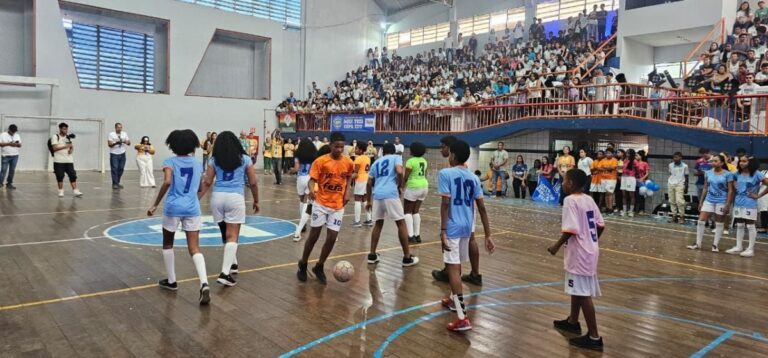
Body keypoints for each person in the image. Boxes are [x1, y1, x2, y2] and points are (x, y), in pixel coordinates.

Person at [147, 129, 210, 305]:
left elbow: (167, 181)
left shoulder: (170, 162)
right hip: (192, 208)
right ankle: (204, 282)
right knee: (194, 248)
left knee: (168, 243)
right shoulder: (198, 163)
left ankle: (172, 281)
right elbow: (201, 187)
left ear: (172, 146)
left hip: (173, 207)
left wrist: (155, 204)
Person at [438, 140, 494, 331]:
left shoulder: (445, 173)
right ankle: (453, 299)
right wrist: (488, 235)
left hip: (452, 227)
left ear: (452, 155)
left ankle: (462, 317)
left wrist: (443, 230)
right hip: (467, 227)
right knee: (456, 264)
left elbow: (445, 204)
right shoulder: (474, 177)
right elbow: (482, 208)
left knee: (453, 268)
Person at [548, 168, 605, 351]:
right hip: (590, 250)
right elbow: (600, 225)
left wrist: (556, 246)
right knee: (577, 288)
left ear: (571, 183)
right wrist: (591, 240)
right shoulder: (588, 199)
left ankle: (594, 336)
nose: (562, 183)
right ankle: (573, 321)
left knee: (583, 294)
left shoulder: (570, 200)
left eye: (564, 180)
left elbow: (570, 229)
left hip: (579, 253)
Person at [198, 131, 260, 287]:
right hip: (235, 197)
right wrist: (256, 200)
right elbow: (253, 182)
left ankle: (233, 263)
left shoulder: (214, 159)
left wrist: (196, 198)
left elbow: (207, 182)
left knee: (225, 232)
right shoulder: (245, 159)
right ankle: (225, 274)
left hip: (217, 198)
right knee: (232, 235)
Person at [297, 132, 354, 283]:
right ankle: (303, 262)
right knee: (314, 236)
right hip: (321, 203)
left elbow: (349, 176)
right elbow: (312, 180)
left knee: (332, 238)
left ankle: (319, 266)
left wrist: (347, 191)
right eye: (336, 146)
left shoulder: (348, 162)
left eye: (342, 147)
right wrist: (311, 190)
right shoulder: (321, 161)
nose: (339, 149)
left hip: (338, 205)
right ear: (330, 145)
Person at [432, 135, 484, 286]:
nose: (441, 150)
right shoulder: (463, 168)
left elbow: (446, 202)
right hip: (469, 209)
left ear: (451, 150)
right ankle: (474, 273)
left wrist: (443, 228)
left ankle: (451, 272)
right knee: (470, 239)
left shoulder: (450, 170)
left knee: (453, 241)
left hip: (460, 211)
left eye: (443, 147)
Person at [366, 143, 419, 266]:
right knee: (401, 223)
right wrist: (400, 185)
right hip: (390, 193)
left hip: (377, 195)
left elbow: (369, 183)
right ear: (394, 151)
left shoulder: (376, 162)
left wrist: (368, 201)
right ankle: (407, 257)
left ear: (383, 152)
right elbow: (399, 171)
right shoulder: (396, 157)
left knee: (378, 224)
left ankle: (372, 255)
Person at [687, 154, 735, 252]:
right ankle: (698, 244)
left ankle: (715, 245)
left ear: (722, 163)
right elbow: (705, 188)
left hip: (721, 201)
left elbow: (730, 190)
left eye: (716, 161)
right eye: (712, 161)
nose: (713, 162)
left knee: (719, 223)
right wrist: (701, 202)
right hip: (709, 200)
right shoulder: (708, 173)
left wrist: (728, 204)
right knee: (701, 221)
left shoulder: (728, 174)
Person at [725, 156, 768, 257]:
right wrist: (734, 185)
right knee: (739, 225)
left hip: (750, 203)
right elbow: (731, 180)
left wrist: (758, 195)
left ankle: (750, 249)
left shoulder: (757, 174)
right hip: (738, 202)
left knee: (750, 225)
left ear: (751, 162)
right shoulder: (737, 173)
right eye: (740, 161)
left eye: (744, 161)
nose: (741, 163)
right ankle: (738, 246)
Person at [291, 139, 318, 241]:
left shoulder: (298, 156)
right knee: (307, 201)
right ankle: (303, 222)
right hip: (310, 178)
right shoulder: (314, 156)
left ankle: (303, 224)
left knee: (301, 200)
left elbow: (296, 169)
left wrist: (291, 170)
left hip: (300, 179)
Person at [404, 142, 428, 243]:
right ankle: (417, 235)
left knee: (407, 211)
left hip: (413, 187)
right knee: (416, 211)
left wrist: (400, 187)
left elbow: (406, 177)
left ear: (413, 151)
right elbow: (425, 175)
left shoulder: (410, 161)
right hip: (424, 186)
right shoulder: (424, 161)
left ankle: (410, 236)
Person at [51, 123, 83, 198]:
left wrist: (71, 149)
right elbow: (54, 148)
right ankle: (61, 191)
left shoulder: (68, 137)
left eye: (66, 129)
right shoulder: (55, 137)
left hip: (69, 160)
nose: (66, 130)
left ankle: (75, 190)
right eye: (64, 129)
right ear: (60, 129)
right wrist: (66, 146)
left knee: (72, 175)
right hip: (58, 161)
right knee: (60, 176)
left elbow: (71, 147)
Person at [351, 141, 373, 227]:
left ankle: (357, 221)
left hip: (360, 180)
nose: (355, 150)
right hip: (366, 179)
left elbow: (356, 173)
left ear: (360, 150)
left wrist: (347, 179)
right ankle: (369, 219)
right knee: (364, 200)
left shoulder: (358, 159)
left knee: (357, 199)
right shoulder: (367, 158)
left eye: (356, 148)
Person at [667, 152, 689, 224]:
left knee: (680, 201)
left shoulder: (685, 166)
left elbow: (686, 177)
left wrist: (686, 187)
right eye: (674, 157)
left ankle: (682, 217)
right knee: (671, 200)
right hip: (671, 184)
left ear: (681, 158)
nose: (675, 159)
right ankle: (674, 216)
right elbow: (671, 174)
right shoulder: (670, 165)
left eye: (676, 157)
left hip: (680, 184)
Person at [108, 123, 131, 190]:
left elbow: (129, 143)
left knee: (121, 168)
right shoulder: (111, 134)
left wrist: (125, 142)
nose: (119, 129)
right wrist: (116, 143)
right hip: (114, 154)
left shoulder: (124, 134)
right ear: (115, 128)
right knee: (114, 168)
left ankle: (117, 182)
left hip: (122, 153)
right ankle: (115, 184)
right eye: (118, 127)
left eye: (121, 127)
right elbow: (109, 144)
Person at [0, 124, 21, 190]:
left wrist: (17, 144)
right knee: (3, 170)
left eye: (15, 131)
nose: (13, 133)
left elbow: (20, 145)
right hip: (5, 155)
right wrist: (9, 144)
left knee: (12, 170)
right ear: (9, 129)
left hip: (15, 155)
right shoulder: (3, 135)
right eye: (12, 131)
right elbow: (0, 144)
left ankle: (9, 183)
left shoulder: (17, 135)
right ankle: (0, 183)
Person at [620, 149, 637, 217]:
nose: (627, 154)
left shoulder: (634, 161)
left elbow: (637, 170)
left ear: (632, 154)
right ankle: (624, 210)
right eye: (626, 153)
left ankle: (631, 211)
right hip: (623, 178)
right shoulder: (624, 160)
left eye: (629, 153)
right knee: (624, 195)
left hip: (630, 178)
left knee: (631, 195)